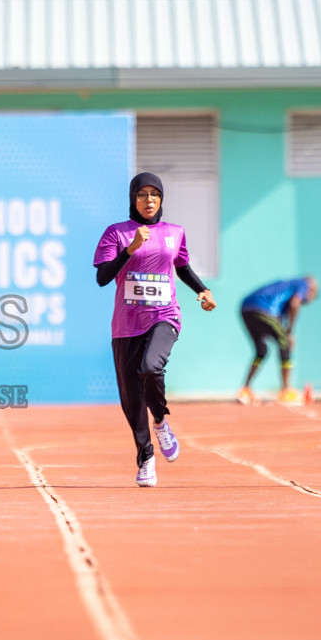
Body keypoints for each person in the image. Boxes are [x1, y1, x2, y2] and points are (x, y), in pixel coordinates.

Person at [94, 172, 217, 488]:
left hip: (164, 316)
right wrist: (130, 248)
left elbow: (182, 267)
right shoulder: (116, 233)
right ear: (133, 199)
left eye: (155, 195)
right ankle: (146, 458)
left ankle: (161, 421)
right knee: (132, 399)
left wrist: (202, 290)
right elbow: (103, 277)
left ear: (161, 199)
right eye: (142, 195)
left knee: (151, 366)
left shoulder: (174, 233)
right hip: (126, 325)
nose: (148, 200)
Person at [236, 276, 318, 405]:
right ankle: (285, 391)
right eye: (314, 294)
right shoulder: (303, 284)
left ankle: (245, 389)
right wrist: (289, 333)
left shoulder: (285, 286)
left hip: (246, 308)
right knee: (285, 343)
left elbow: (278, 319)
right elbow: (295, 303)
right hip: (264, 309)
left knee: (261, 351)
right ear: (311, 289)